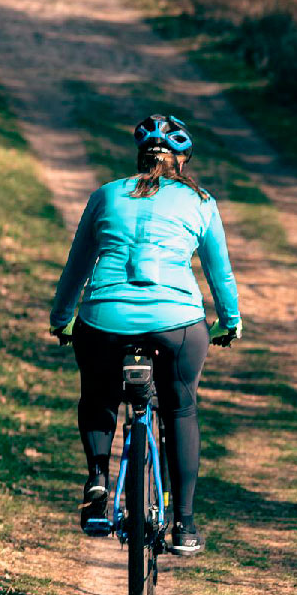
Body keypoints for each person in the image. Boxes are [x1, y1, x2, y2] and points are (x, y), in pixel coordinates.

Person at [50, 114, 241, 555]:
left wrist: (62, 318)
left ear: (140, 158)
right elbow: (220, 274)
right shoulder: (201, 201)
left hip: (104, 320)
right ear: (182, 162)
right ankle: (186, 524)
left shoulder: (106, 195)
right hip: (177, 325)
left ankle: (98, 482)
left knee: (99, 396)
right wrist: (229, 322)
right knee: (181, 408)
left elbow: (76, 267)